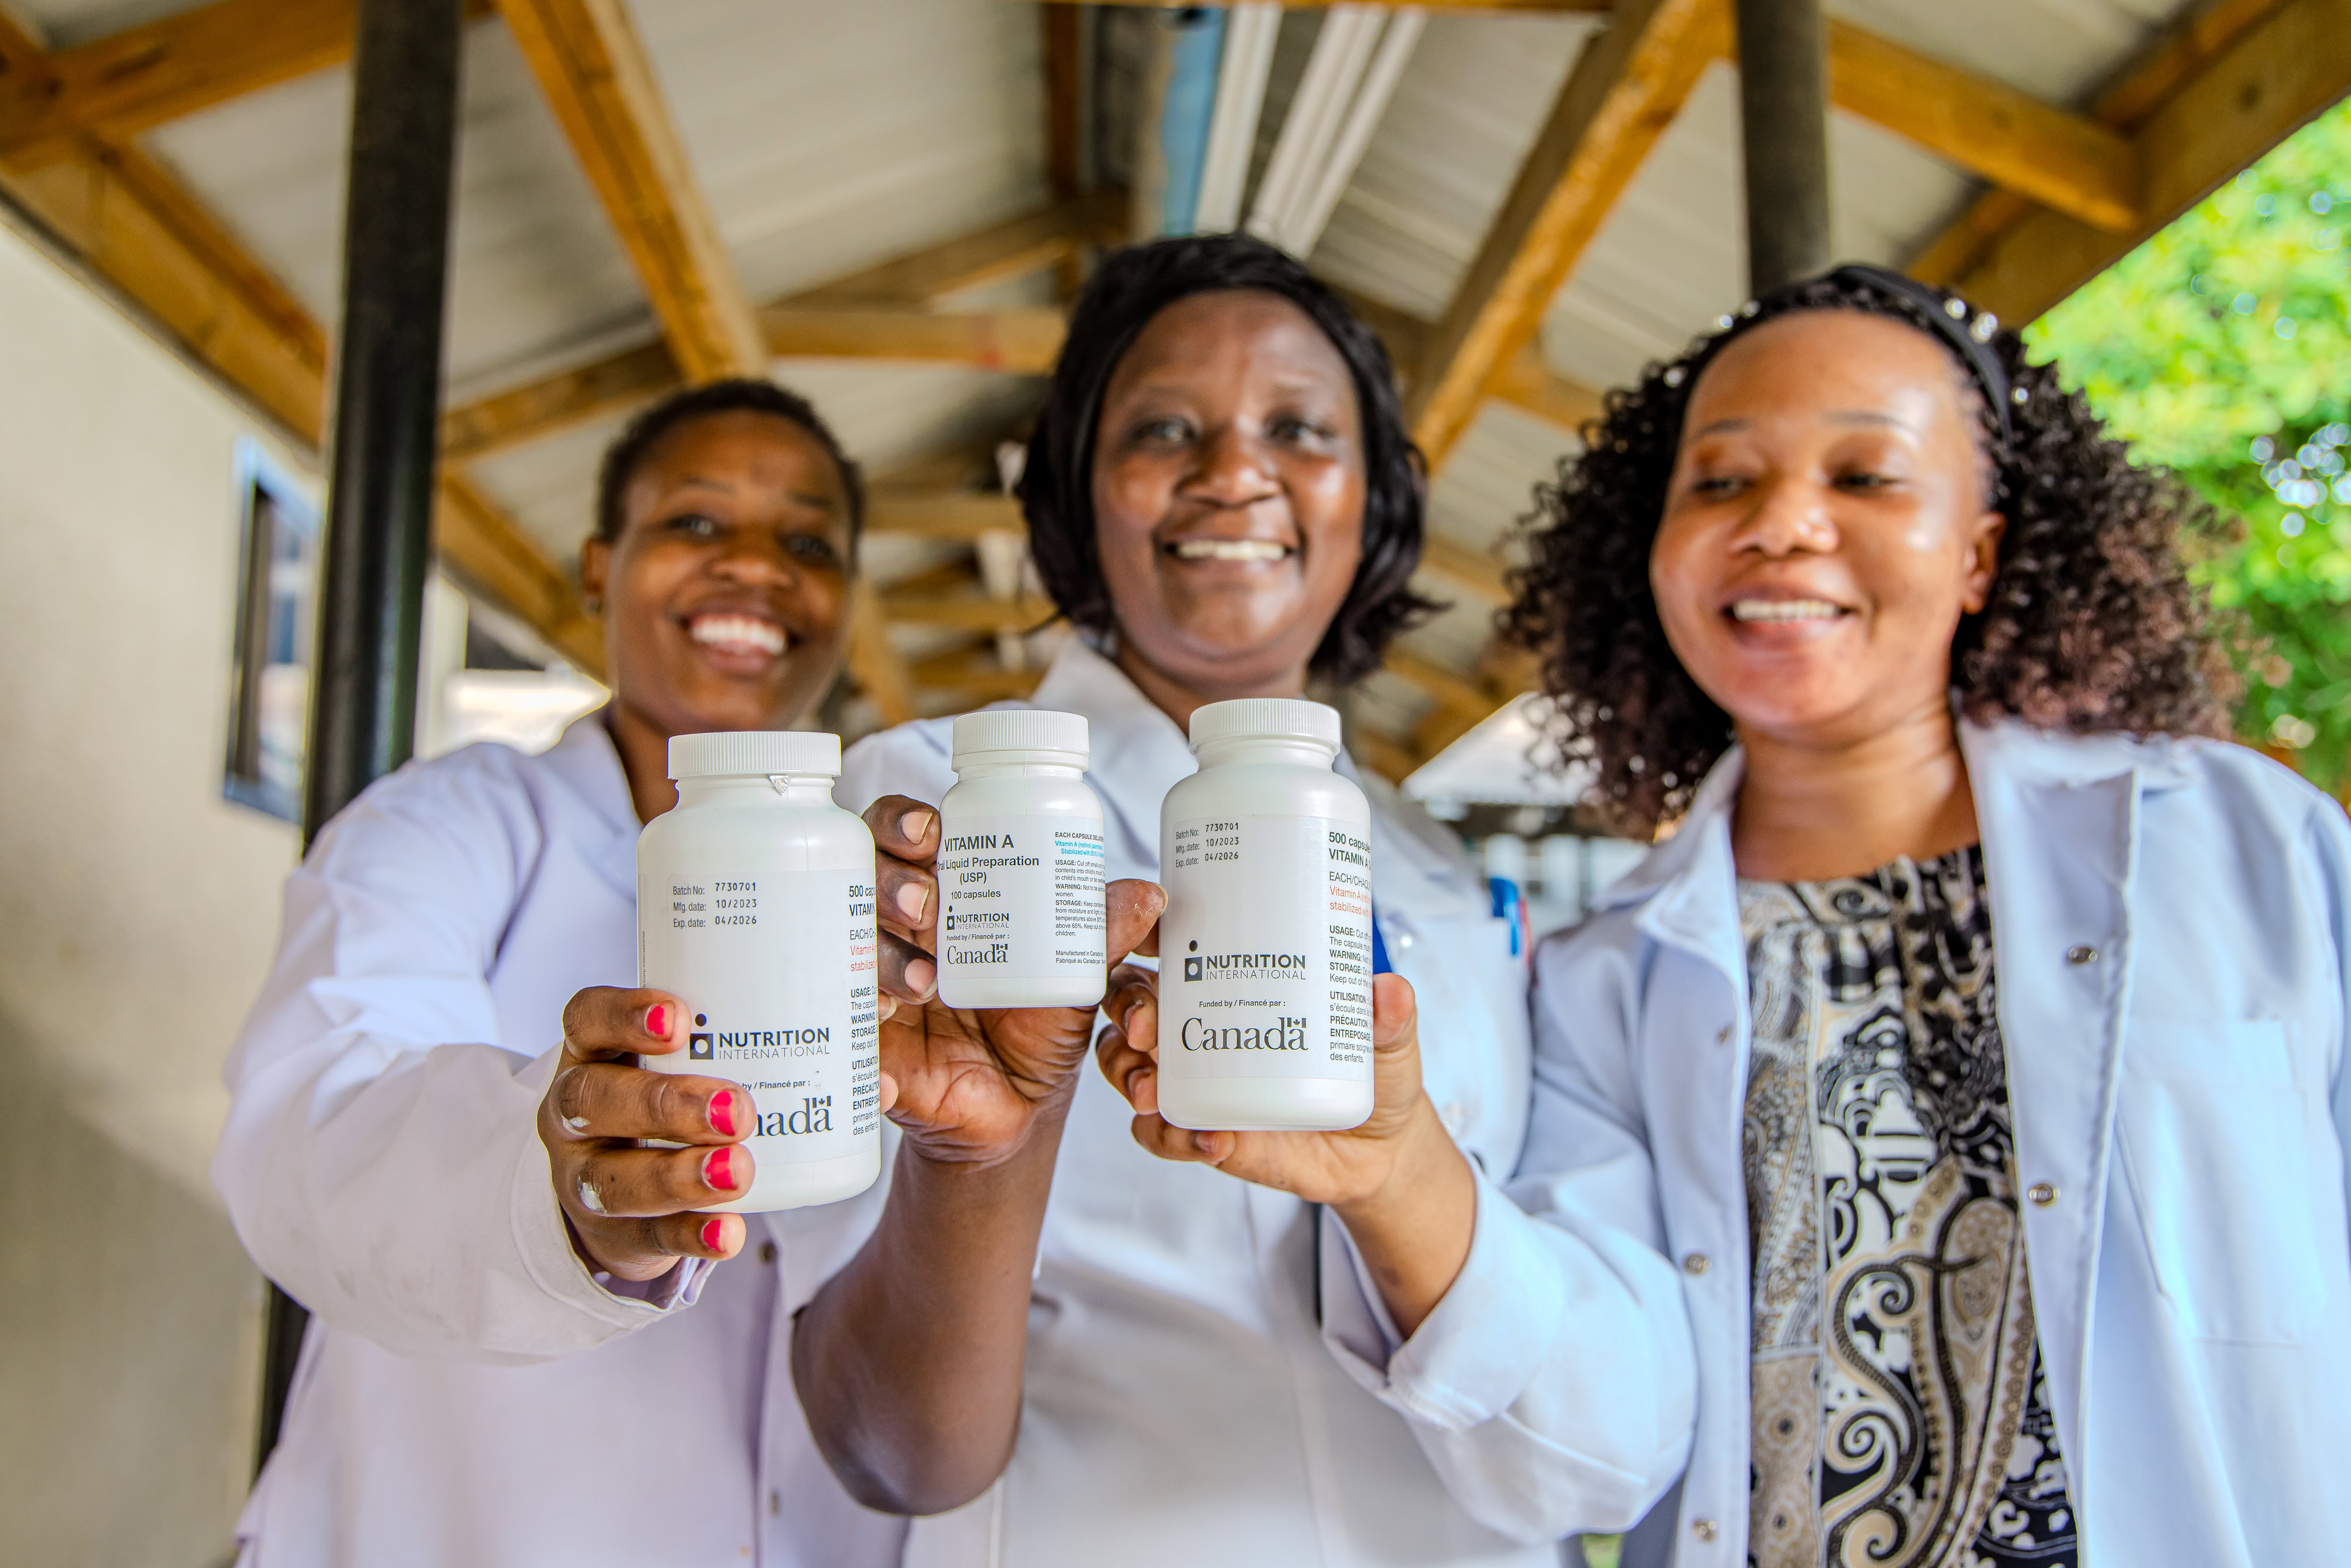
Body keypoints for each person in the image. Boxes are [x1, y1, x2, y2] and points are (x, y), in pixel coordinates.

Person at [1200, 263, 2345, 1566]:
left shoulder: (2238, 844)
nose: (1782, 523)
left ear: (1978, 550)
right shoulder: (1597, 978)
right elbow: (1589, 1440)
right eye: (1721, 480)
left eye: (1863, 477)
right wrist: (1398, 1175)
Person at [788, 234, 1567, 1567]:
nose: (1232, 469)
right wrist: (977, 1149)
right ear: (1077, 491)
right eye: (1163, 427)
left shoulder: (1431, 862)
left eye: (1297, 426)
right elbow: (887, 1448)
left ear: (1372, 496)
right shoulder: (939, 811)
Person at [211, 379, 910, 1567]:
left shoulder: (892, 872)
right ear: (599, 567)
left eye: (806, 541)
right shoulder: (449, 823)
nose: (752, 567)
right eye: (694, 522)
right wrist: (562, 1188)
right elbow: (312, 1122)